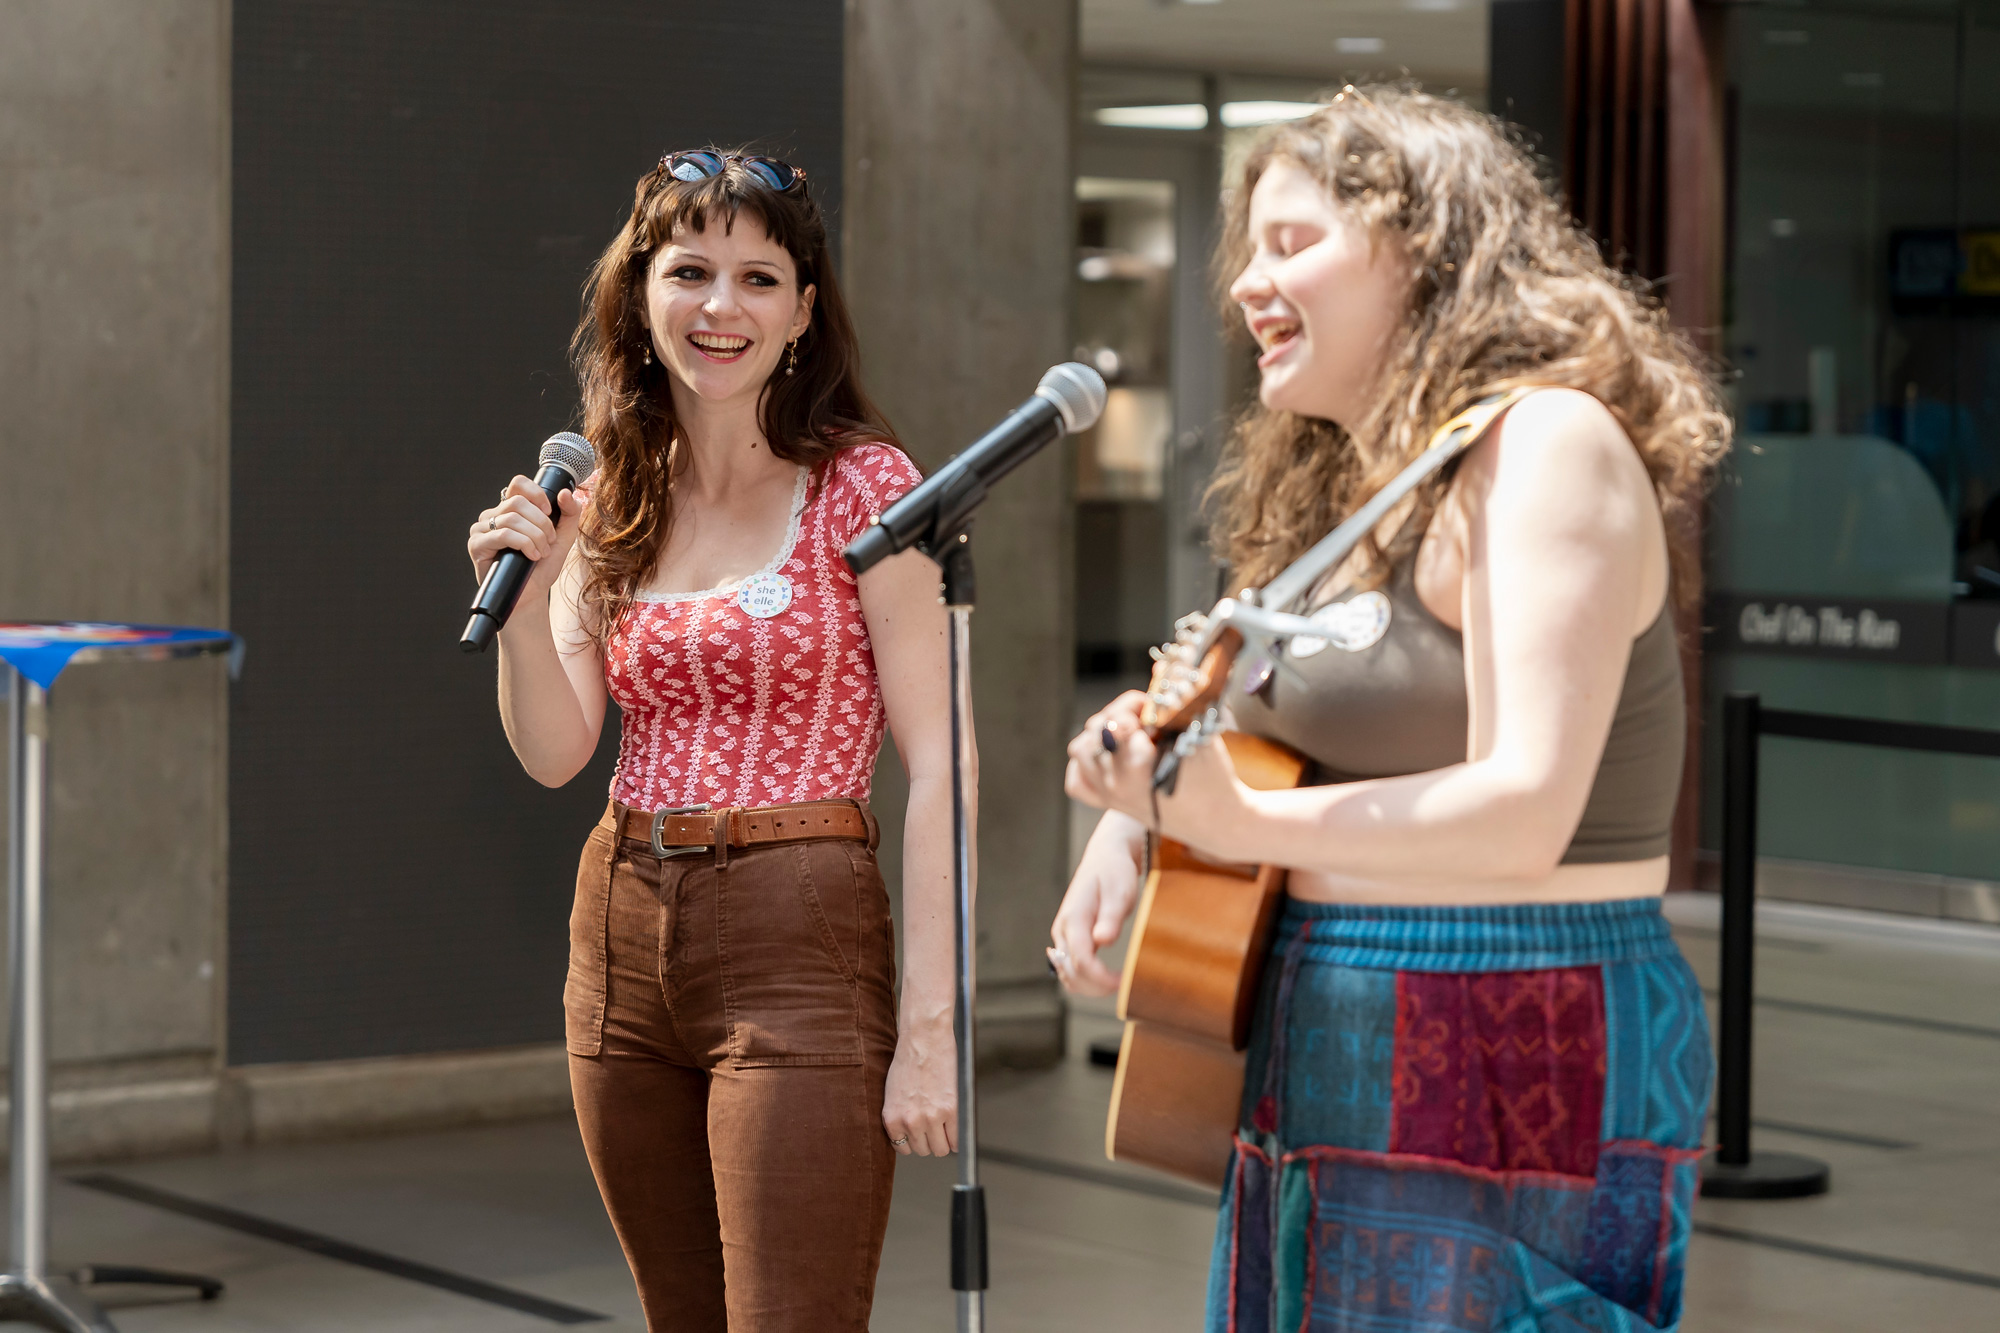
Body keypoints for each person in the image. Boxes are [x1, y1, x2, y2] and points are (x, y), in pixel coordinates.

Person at [1051, 88, 1727, 1332]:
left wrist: (1239, 822)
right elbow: (1236, 716)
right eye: (1247, 249)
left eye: (1293, 242)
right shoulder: (1341, 481)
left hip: (1522, 1011)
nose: (1249, 283)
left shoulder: (1546, 447)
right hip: (1326, 1004)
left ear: (1421, 245)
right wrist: (1136, 825)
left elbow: (1522, 811)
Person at [465, 149, 959, 1332]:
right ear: (640, 297)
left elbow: (946, 760)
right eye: (689, 271)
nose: (720, 307)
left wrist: (930, 1025)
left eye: (757, 277)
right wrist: (525, 612)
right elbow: (553, 749)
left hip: (802, 925)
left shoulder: (866, 487)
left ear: (800, 312)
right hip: (621, 923)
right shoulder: (610, 493)